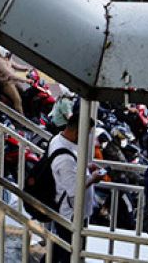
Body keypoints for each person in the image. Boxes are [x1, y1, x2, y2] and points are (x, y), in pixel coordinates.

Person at [48, 101, 104, 263]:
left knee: (60, 249)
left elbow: (72, 172)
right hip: (71, 213)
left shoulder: (60, 141)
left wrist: (86, 167)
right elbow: (74, 189)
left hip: (70, 211)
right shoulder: (64, 157)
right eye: (86, 133)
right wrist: (93, 178)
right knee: (70, 253)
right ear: (77, 132)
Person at [0, 43, 32, 114]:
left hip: (12, 81)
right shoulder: (0, 63)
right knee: (17, 100)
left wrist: (27, 69)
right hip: (7, 84)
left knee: (23, 92)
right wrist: (25, 80)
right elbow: (11, 75)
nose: (10, 55)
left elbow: (15, 65)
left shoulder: (8, 59)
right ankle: (21, 119)